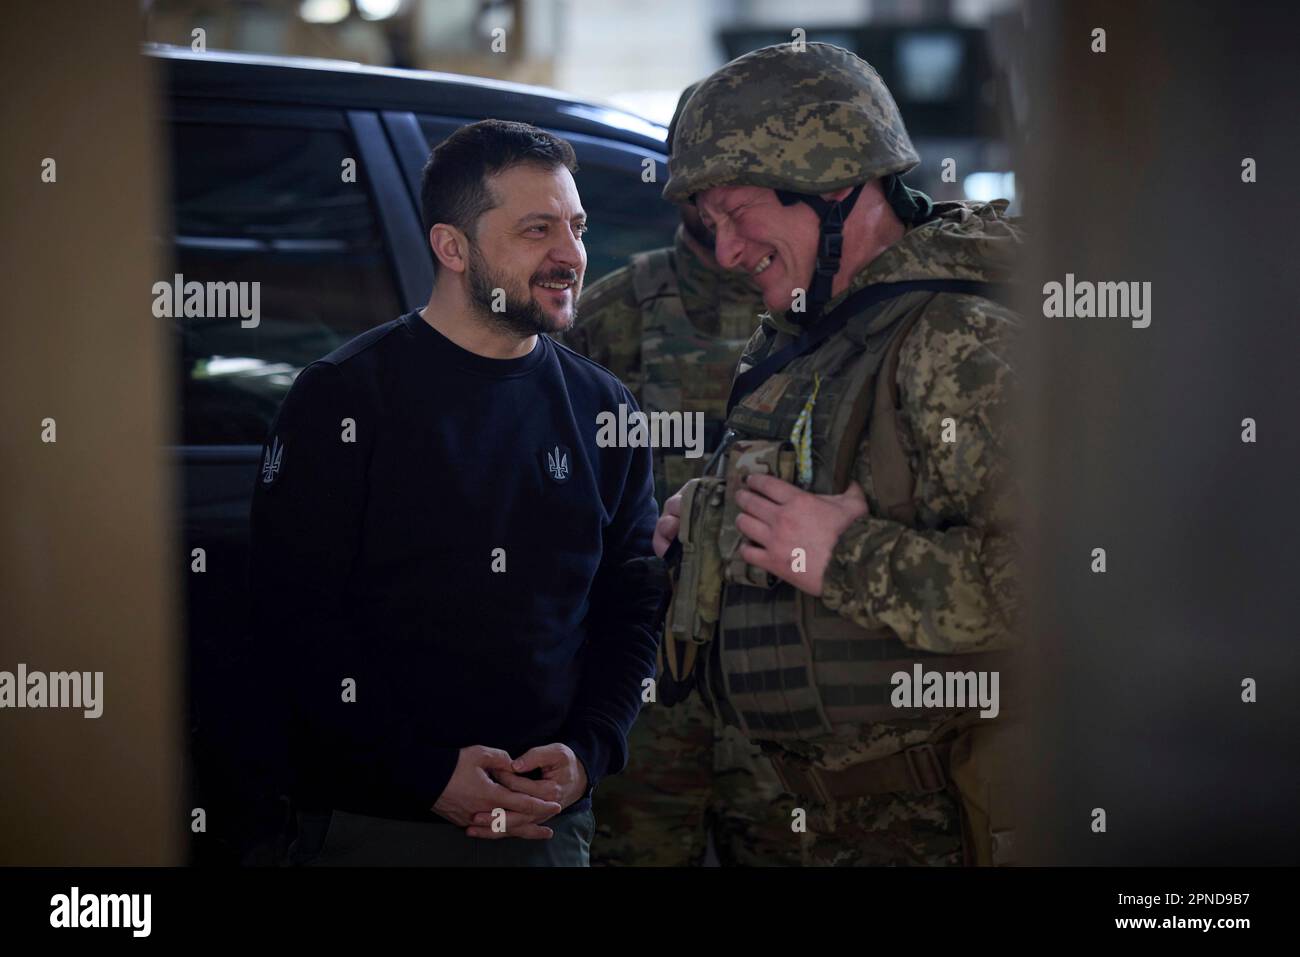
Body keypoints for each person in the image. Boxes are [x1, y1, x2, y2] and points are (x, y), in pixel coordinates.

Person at [248, 119, 662, 866]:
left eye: (576, 227)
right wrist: (427, 773)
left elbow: (631, 603)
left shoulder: (606, 410)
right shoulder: (343, 399)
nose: (571, 256)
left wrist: (587, 752)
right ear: (452, 246)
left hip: (545, 823)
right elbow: (292, 623)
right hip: (378, 821)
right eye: (538, 230)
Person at [653, 42, 1024, 866]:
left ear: (831, 183)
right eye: (709, 225)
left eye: (738, 211)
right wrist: (710, 516)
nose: (726, 250)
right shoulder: (811, 335)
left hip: (930, 831)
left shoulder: (956, 338)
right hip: (805, 825)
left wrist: (846, 557)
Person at [561, 84, 801, 866]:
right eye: (701, 176)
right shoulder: (612, 316)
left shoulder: (831, 321)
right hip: (646, 692)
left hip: (785, 690)